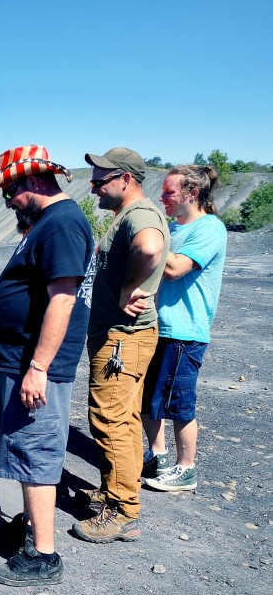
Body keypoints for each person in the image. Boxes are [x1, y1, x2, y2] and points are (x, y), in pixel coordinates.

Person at [0, 145, 93, 586]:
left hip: (33, 367)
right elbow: (38, 289)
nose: (8, 201)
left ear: (33, 182)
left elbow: (63, 298)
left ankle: (43, 557)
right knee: (21, 447)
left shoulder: (62, 224)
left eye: (10, 192)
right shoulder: (47, 225)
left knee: (35, 451)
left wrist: (38, 367)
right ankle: (32, 531)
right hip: (19, 362)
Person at [73, 148, 170, 543]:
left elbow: (149, 247)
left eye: (100, 181)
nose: (94, 188)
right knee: (125, 418)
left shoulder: (140, 216)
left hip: (122, 337)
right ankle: (118, 490)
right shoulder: (128, 216)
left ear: (126, 179)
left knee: (109, 418)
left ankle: (123, 511)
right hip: (124, 336)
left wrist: (131, 287)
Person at [140, 165, 227, 492]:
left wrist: (144, 237)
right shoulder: (172, 227)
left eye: (168, 192)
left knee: (179, 404)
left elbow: (175, 268)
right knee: (148, 401)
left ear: (191, 194)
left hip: (184, 332)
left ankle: (186, 468)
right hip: (155, 327)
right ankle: (159, 456)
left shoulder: (210, 229)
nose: (161, 197)